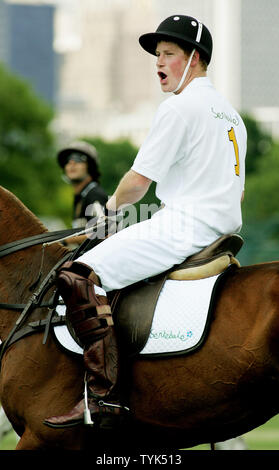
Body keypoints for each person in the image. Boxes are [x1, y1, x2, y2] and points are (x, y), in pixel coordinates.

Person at [44, 15, 247, 429]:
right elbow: (237, 191)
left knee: (79, 273)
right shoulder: (232, 117)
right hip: (223, 231)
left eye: (169, 54)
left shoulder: (179, 107)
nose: (159, 63)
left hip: (184, 226)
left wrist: (104, 219)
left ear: (194, 59)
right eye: (157, 55)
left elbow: (138, 182)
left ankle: (102, 395)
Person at [57, 140, 108, 247]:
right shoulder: (81, 196)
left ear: (90, 167)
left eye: (78, 158)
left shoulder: (94, 195)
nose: (72, 163)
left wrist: (66, 241)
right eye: (68, 160)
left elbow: (104, 233)